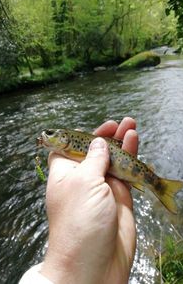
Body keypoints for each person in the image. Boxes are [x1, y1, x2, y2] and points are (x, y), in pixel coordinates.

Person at [19, 117, 138, 284]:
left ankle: (159, 186)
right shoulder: (65, 150)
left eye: (51, 133)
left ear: (65, 138)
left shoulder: (74, 148)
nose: (45, 135)